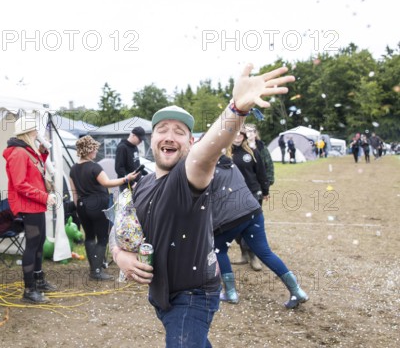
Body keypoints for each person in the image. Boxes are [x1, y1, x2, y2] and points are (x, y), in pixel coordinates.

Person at [111, 64, 294, 348]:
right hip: (161, 295)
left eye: (179, 132)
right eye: (162, 130)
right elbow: (120, 229)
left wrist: (236, 109)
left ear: (190, 142)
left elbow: (206, 153)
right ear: (152, 140)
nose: (169, 136)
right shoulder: (142, 185)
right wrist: (120, 256)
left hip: (194, 295)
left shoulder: (187, 176)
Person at [211, 154, 308, 308]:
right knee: (265, 253)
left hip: (230, 218)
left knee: (219, 250)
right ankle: (297, 290)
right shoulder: (231, 164)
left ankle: (230, 293)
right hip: (252, 211)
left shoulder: (207, 169)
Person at [69, 135, 140, 281]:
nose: (96, 151)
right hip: (98, 204)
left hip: (82, 205)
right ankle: (96, 272)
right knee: (102, 238)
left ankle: (94, 268)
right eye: (94, 149)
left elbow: (74, 192)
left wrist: (78, 207)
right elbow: (107, 183)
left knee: (89, 237)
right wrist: (127, 178)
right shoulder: (95, 167)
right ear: (89, 150)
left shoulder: (73, 169)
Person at [3, 116, 57, 304]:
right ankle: (29, 289)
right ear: (27, 132)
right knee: (32, 245)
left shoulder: (27, 151)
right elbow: (20, 184)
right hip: (29, 205)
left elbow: (35, 172)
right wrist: (44, 196)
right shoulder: (18, 152)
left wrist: (42, 154)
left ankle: (38, 279)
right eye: (34, 130)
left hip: (35, 204)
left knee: (39, 242)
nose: (37, 134)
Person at [230, 128, 270, 271]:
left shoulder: (252, 152)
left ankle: (253, 257)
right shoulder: (225, 152)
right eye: (235, 133)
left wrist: (265, 190)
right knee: (235, 226)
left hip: (253, 192)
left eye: (240, 134)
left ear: (244, 136)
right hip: (232, 194)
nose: (237, 136)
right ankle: (244, 254)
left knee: (250, 225)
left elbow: (261, 172)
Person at [115, 126, 146, 191]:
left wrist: (147, 174)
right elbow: (119, 168)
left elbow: (136, 166)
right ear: (133, 135)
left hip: (137, 183)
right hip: (127, 185)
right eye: (140, 139)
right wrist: (131, 183)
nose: (141, 142)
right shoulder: (122, 148)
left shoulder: (135, 147)